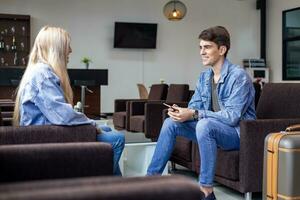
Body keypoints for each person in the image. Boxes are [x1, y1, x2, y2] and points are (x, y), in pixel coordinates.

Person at [147, 26, 256, 200]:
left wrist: (195, 113)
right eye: (200, 47)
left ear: (222, 49)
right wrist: (182, 112)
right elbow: (194, 106)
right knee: (171, 123)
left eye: (207, 47)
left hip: (236, 134)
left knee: (205, 124)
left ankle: (206, 191)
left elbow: (232, 116)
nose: (202, 52)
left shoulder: (239, 77)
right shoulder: (204, 77)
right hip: (209, 130)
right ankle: (150, 183)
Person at [12, 26, 125, 176]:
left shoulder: (39, 71)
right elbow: (62, 115)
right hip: (47, 139)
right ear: (56, 49)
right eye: (67, 46)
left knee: (108, 130)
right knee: (117, 139)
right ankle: (99, 185)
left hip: (47, 133)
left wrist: (91, 125)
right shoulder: (42, 74)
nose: (70, 50)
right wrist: (91, 124)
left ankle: (115, 187)